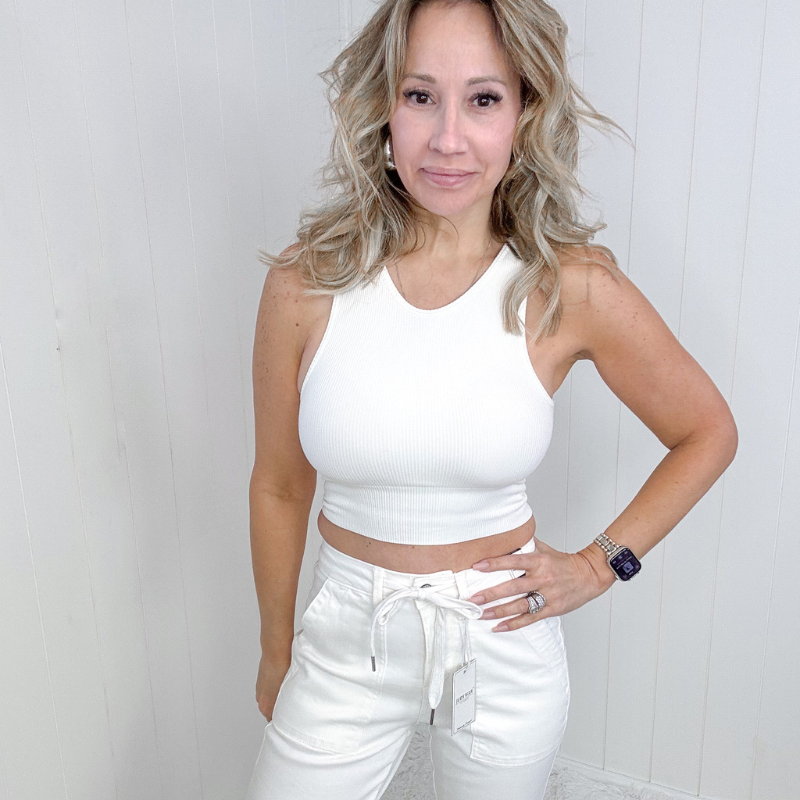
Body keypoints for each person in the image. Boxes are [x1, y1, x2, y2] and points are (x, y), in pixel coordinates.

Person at [244, 1, 738, 798]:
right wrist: (277, 649)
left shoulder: (570, 286)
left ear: (524, 114)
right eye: (420, 96)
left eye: (482, 99)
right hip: (342, 639)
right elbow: (278, 484)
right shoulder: (307, 282)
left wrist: (598, 566)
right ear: (382, 108)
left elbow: (707, 431)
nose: (448, 138)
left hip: (502, 642)